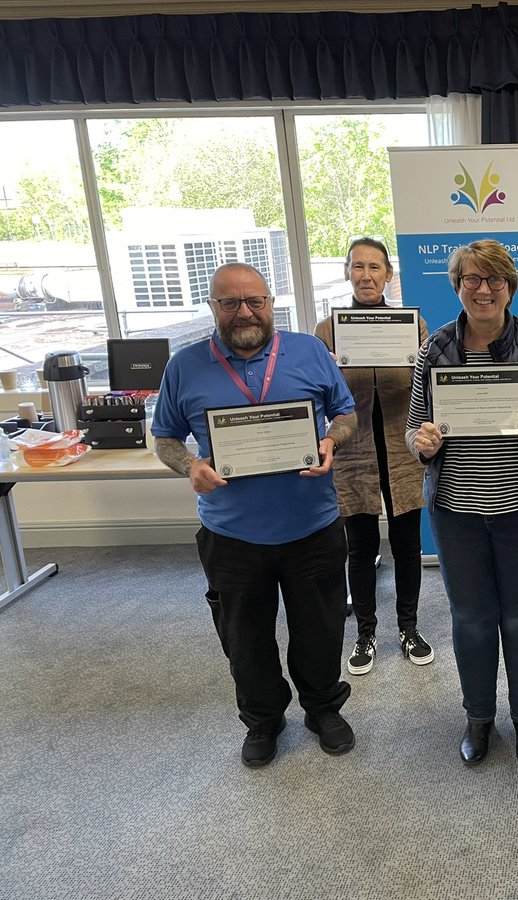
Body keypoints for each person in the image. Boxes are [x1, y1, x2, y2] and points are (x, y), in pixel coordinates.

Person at [153, 262, 358, 768]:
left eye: (255, 301)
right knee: (244, 640)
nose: (245, 312)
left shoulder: (309, 351)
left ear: (271, 303)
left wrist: (332, 440)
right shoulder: (184, 366)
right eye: (230, 303)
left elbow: (346, 413)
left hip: (312, 525)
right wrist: (190, 465)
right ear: (213, 308)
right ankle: (264, 720)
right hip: (232, 535)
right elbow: (164, 438)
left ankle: (321, 707)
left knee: (321, 628)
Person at [406, 239, 518, 767]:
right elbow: (414, 426)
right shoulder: (435, 349)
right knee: (473, 617)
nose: (484, 290)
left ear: (510, 286)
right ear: (457, 285)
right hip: (457, 510)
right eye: (472, 280)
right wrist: (424, 441)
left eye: (495, 280)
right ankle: (478, 717)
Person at [315, 237, 433, 675]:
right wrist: (323, 365)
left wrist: (421, 361)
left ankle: (409, 628)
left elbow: (425, 388)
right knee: (360, 548)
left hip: (402, 450)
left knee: (407, 545)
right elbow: (320, 398)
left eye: (375, 268)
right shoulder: (326, 331)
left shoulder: (412, 326)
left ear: (388, 275)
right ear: (347, 272)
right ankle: (365, 633)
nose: (367, 275)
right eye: (358, 267)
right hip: (354, 450)